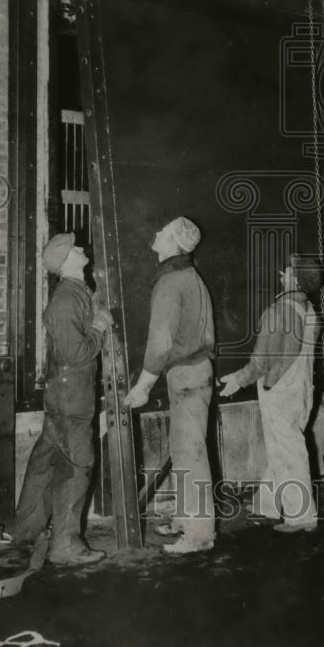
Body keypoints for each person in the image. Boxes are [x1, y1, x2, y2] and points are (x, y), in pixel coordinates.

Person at [9, 232, 114, 565]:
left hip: (63, 395)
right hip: (72, 399)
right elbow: (77, 352)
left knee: (44, 463)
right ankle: (65, 546)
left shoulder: (74, 293)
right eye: (76, 247)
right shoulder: (66, 300)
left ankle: (23, 529)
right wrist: (99, 326)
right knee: (76, 467)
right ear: (67, 259)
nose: (82, 248)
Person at [124, 217, 216, 554]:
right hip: (195, 371)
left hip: (187, 374)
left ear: (173, 243)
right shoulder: (190, 275)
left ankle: (199, 535)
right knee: (183, 450)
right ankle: (183, 519)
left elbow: (160, 343)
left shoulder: (169, 282)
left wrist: (143, 386)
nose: (156, 233)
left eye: (162, 231)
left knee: (190, 454)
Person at [219, 255, 321, 533]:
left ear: (296, 280)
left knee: (289, 450)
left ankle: (302, 517)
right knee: (283, 446)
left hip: (280, 390)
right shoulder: (308, 310)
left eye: (287, 271)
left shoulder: (278, 312)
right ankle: (266, 503)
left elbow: (261, 361)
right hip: (303, 388)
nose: (281, 272)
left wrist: (238, 380)